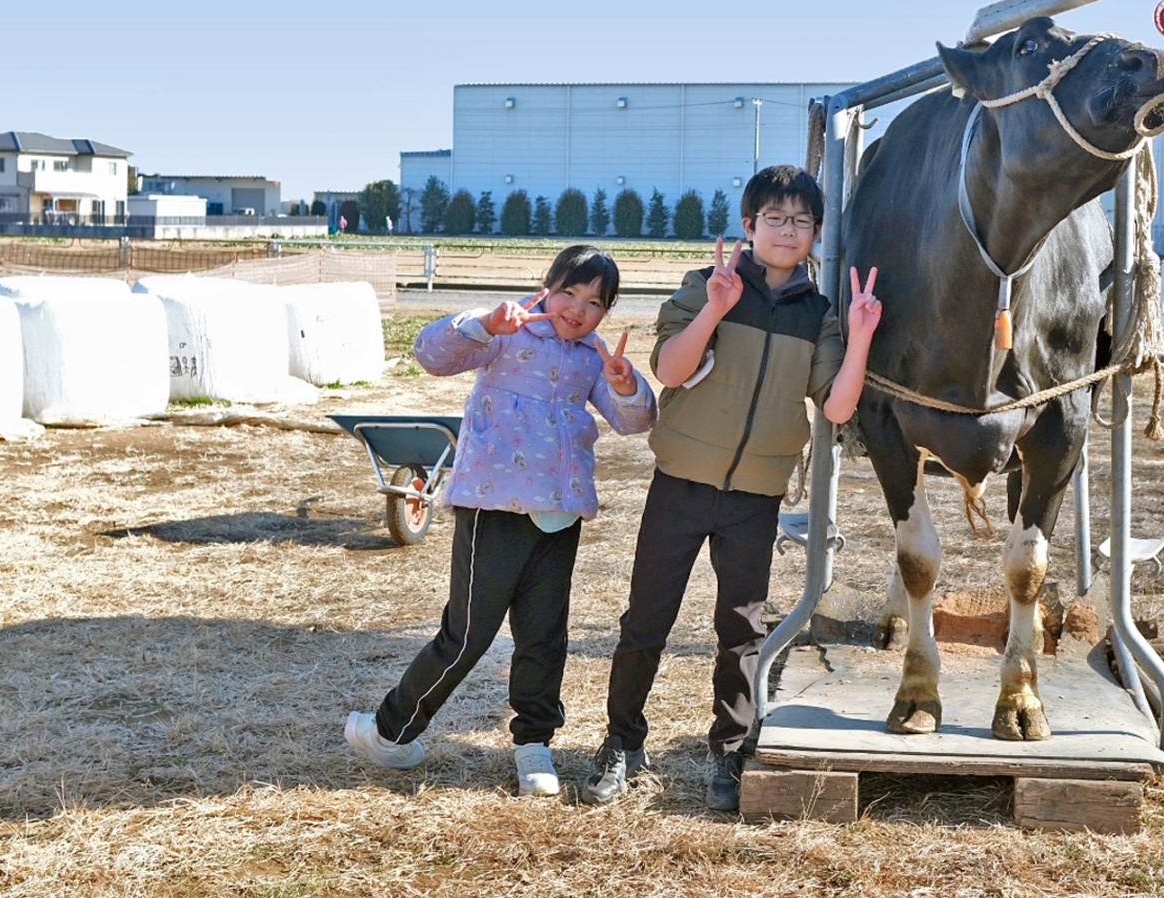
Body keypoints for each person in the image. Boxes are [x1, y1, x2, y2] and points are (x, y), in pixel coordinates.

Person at [580, 164, 882, 812]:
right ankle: (622, 743)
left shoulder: (820, 315)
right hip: (680, 483)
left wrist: (858, 339)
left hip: (756, 495)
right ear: (748, 226)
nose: (787, 229)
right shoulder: (705, 285)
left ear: (815, 235)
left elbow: (836, 407)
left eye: (800, 220)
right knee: (645, 621)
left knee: (741, 630)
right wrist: (716, 309)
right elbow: (669, 367)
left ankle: (730, 753)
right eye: (774, 217)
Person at [344, 244, 656, 797]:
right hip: (494, 507)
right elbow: (429, 353)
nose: (577, 310)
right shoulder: (508, 330)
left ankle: (534, 747)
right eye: (569, 293)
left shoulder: (592, 357)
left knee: (544, 637)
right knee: (468, 635)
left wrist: (627, 383)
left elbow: (636, 422)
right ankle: (391, 730)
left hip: (559, 517)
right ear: (547, 285)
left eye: (594, 302)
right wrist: (483, 323)